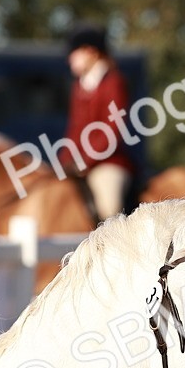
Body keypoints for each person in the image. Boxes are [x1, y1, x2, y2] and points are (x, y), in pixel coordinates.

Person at [61, 24, 136, 222]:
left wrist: (85, 160)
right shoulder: (79, 86)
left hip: (109, 163)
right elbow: (75, 129)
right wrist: (63, 162)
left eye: (74, 53)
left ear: (91, 52)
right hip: (81, 165)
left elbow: (112, 130)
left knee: (109, 207)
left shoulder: (114, 82)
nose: (70, 59)